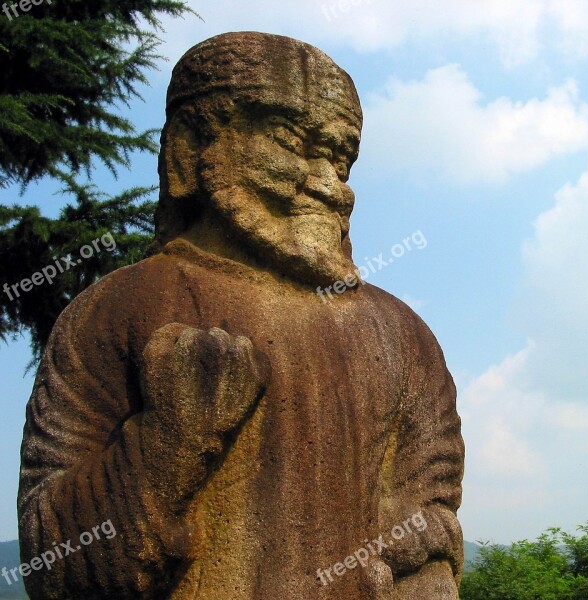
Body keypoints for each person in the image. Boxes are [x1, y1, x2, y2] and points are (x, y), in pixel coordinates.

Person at [18, 32, 464, 599]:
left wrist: (411, 550)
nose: (330, 185)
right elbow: (49, 559)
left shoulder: (404, 336)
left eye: (341, 159)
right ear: (190, 148)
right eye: (290, 142)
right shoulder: (113, 312)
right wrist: (168, 447)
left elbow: (435, 519)